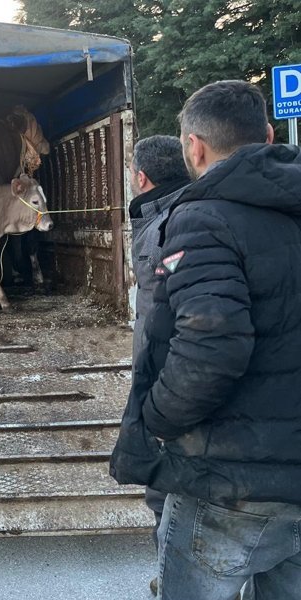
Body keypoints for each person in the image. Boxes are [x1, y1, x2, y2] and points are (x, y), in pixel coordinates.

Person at [110, 80, 301, 600]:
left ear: (193, 146)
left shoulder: (202, 219)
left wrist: (156, 420)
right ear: (266, 134)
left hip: (228, 480)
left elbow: (211, 345)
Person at [126, 135, 190, 585]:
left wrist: (156, 399)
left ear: (141, 177)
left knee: (167, 484)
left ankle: (174, 577)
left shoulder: (168, 228)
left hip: (172, 382)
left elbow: (167, 320)